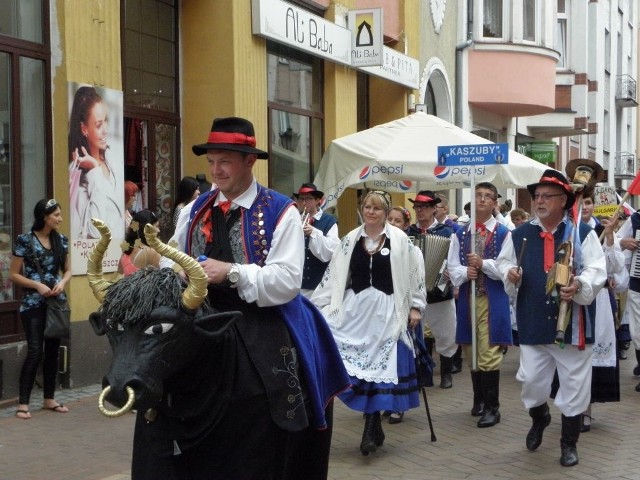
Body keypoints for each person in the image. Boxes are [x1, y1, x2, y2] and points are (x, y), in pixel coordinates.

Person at [153, 116, 349, 479]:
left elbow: (286, 280)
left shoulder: (280, 211)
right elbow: (170, 257)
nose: (215, 170)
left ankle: (290, 433)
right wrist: (174, 271)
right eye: (211, 162)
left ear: (249, 161)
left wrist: (230, 271)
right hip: (202, 314)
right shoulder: (193, 210)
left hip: (260, 312)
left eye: (224, 161)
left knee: (281, 383)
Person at [497, 169, 606, 467]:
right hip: (533, 318)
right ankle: (540, 416)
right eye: (537, 196)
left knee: (574, 384)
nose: (539, 201)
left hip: (572, 322)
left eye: (547, 196)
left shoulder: (581, 233)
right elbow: (503, 263)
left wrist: (580, 284)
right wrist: (510, 273)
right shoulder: (519, 234)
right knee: (532, 383)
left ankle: (569, 442)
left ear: (563, 200)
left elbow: (598, 269)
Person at [312, 190, 426, 455]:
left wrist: (415, 306)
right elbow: (335, 274)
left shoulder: (400, 240)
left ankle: (372, 425)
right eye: (367, 207)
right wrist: (320, 305)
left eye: (376, 208)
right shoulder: (350, 240)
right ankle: (372, 423)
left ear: (386, 213)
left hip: (389, 309)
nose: (370, 212)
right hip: (357, 309)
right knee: (350, 360)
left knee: (383, 366)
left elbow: (415, 272)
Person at [448, 182, 512, 428]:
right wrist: (467, 272)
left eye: (488, 196)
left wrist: (484, 264)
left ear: (495, 203)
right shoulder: (461, 233)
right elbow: (452, 266)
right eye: (478, 196)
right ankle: (479, 399)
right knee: (470, 349)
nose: (482, 200)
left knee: (488, 351)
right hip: (467, 296)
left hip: (491, 298)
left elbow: (507, 267)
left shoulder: (504, 233)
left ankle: (493, 407)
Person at [8, 199, 72, 419]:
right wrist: (37, 285)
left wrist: (62, 284)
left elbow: (68, 271)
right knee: (36, 351)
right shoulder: (25, 241)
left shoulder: (61, 240)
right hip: (33, 304)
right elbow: (13, 274)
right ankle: (23, 403)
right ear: (44, 216)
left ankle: (49, 399)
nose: (60, 219)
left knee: (53, 352)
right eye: (56, 215)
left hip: (56, 303)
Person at [579, 191, 626, 432]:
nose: (584, 207)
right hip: (573, 299)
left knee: (593, 352)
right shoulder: (569, 229)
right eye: (581, 202)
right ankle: (573, 407)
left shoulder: (602, 229)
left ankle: (585, 410)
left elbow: (615, 267)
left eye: (588, 203)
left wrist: (609, 238)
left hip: (599, 302)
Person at [407, 190, 458, 389]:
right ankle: (422, 374)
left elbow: (454, 259)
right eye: (417, 207)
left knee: (446, 334)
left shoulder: (446, 232)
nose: (420, 211)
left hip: (440, 292)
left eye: (424, 207)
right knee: (416, 334)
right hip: (415, 293)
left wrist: (449, 273)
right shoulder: (409, 233)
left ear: (433, 208)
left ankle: (446, 372)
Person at [68, 85, 123, 239]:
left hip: (117, 253)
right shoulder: (77, 175)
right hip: (95, 258)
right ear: (84, 129)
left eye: (106, 121)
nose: (106, 129)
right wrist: (94, 170)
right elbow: (95, 231)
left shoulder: (113, 159)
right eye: (99, 125)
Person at [293, 183, 339, 299]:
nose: (304, 203)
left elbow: (333, 249)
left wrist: (314, 233)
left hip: (318, 286)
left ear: (318, 200)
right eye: (301, 199)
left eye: (308, 199)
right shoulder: (293, 219)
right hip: (295, 283)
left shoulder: (329, 221)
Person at [615, 206, 640, 392]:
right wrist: (624, 242)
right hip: (638, 283)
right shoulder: (636, 219)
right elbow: (617, 239)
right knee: (638, 332)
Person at [117, 210, 161, 277]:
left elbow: (119, 273)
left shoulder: (126, 252)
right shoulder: (152, 252)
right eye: (156, 226)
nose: (158, 230)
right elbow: (163, 279)